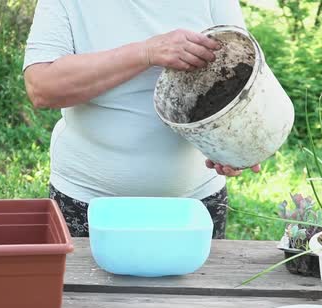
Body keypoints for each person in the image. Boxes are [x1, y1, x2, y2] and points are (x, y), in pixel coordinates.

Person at [23, 0, 261, 239]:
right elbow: (42, 86)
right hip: (87, 203)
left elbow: (243, 73)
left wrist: (231, 144)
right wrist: (147, 52)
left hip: (194, 205)